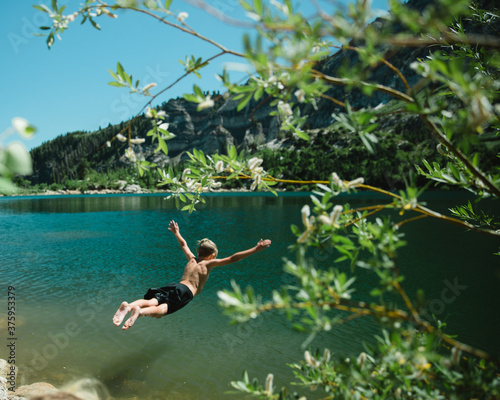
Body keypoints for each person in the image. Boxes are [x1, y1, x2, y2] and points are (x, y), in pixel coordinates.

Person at [113, 220, 271, 331]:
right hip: (186, 292)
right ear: (212, 255)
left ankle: (129, 306)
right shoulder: (208, 264)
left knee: (151, 301)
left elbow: (183, 244)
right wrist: (255, 249)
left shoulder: (192, 259)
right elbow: (232, 258)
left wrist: (177, 232)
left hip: (175, 285)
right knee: (161, 311)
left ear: (199, 252)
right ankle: (139, 312)